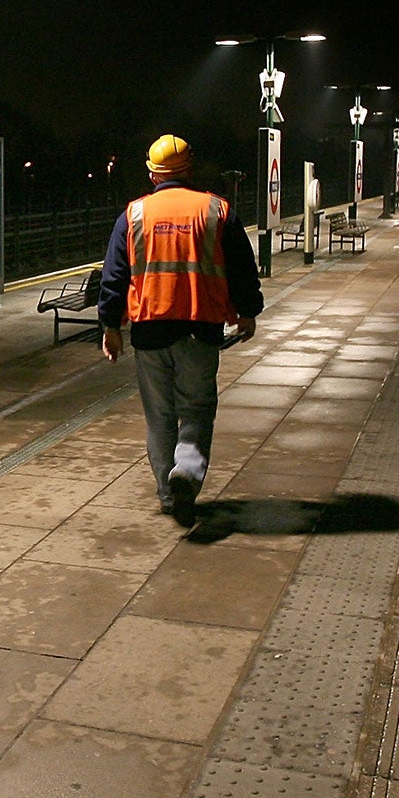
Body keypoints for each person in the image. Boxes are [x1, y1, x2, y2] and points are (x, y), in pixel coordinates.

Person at [97, 134, 262, 523]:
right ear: (189, 169)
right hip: (201, 329)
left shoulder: (134, 214)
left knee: (159, 415)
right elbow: (242, 269)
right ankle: (186, 471)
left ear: (153, 173)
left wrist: (110, 326)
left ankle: (169, 497)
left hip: (150, 331)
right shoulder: (218, 211)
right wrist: (247, 311)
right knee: (197, 409)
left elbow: (114, 277)